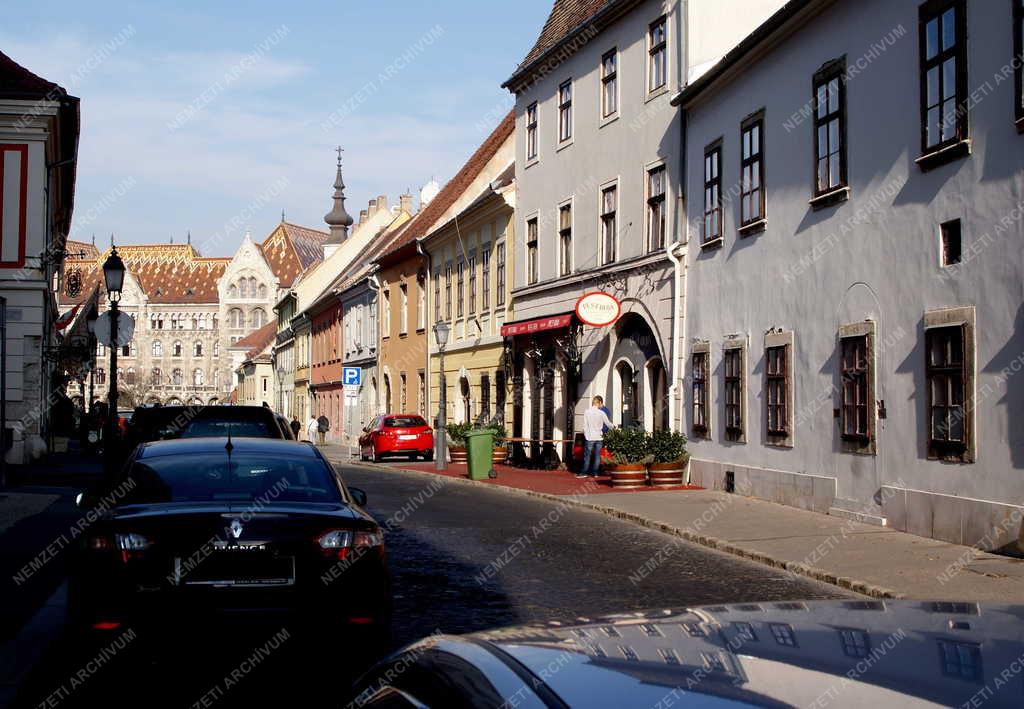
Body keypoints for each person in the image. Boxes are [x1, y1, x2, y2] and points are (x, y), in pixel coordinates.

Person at [580, 395, 614, 478]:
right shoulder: (601, 413)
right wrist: (614, 427)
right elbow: (608, 424)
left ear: (593, 403)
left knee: (587, 455)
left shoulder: (587, 412)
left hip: (590, 437)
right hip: (599, 437)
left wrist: (586, 435)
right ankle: (595, 473)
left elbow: (585, 425)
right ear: (599, 403)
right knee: (597, 455)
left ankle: (584, 472)